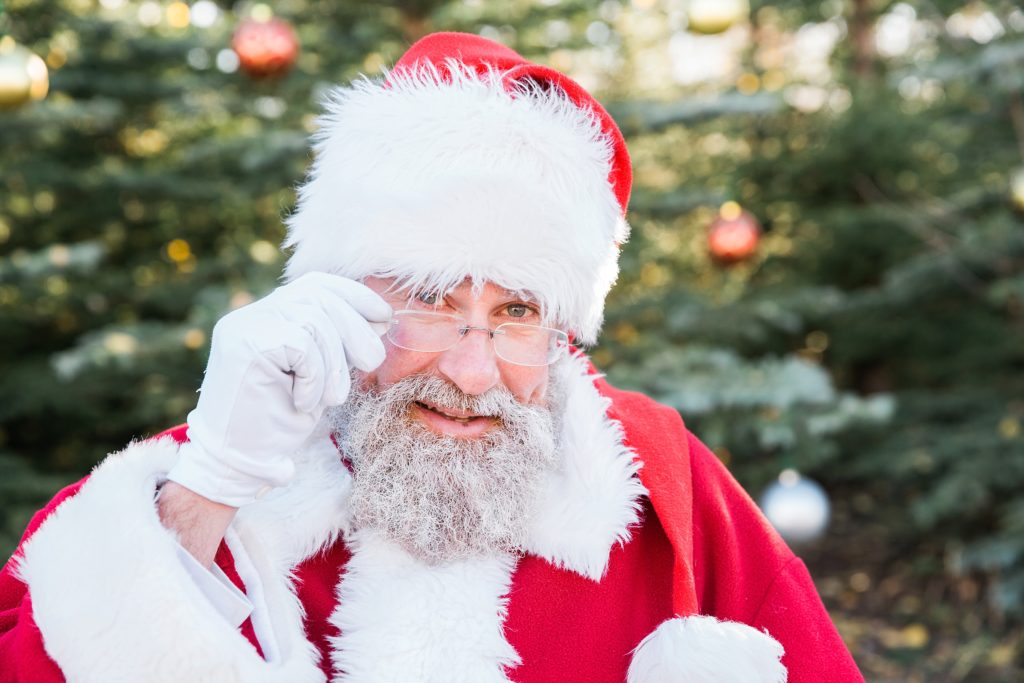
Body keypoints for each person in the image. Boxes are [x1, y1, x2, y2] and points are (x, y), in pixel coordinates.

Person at [0, 32, 864, 683]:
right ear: (336, 299)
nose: (474, 372)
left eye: (517, 310)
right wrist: (208, 491)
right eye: (430, 301)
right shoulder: (195, 480)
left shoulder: (663, 484)